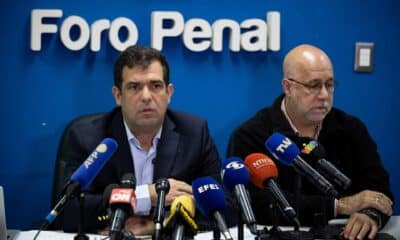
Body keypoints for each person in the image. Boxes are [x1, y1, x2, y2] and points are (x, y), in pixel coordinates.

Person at [53, 45, 234, 235]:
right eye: (134, 87)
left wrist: (159, 225)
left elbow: (227, 208)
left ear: (169, 92)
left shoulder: (194, 133)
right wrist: (146, 196)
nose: (146, 96)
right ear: (118, 95)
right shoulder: (88, 138)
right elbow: (66, 212)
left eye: (156, 86)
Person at [227, 44, 394, 240]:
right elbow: (258, 205)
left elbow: (379, 191)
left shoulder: (351, 129)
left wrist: (370, 215)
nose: (324, 95)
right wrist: (339, 206)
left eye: (329, 85)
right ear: (288, 87)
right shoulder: (251, 135)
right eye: (313, 85)